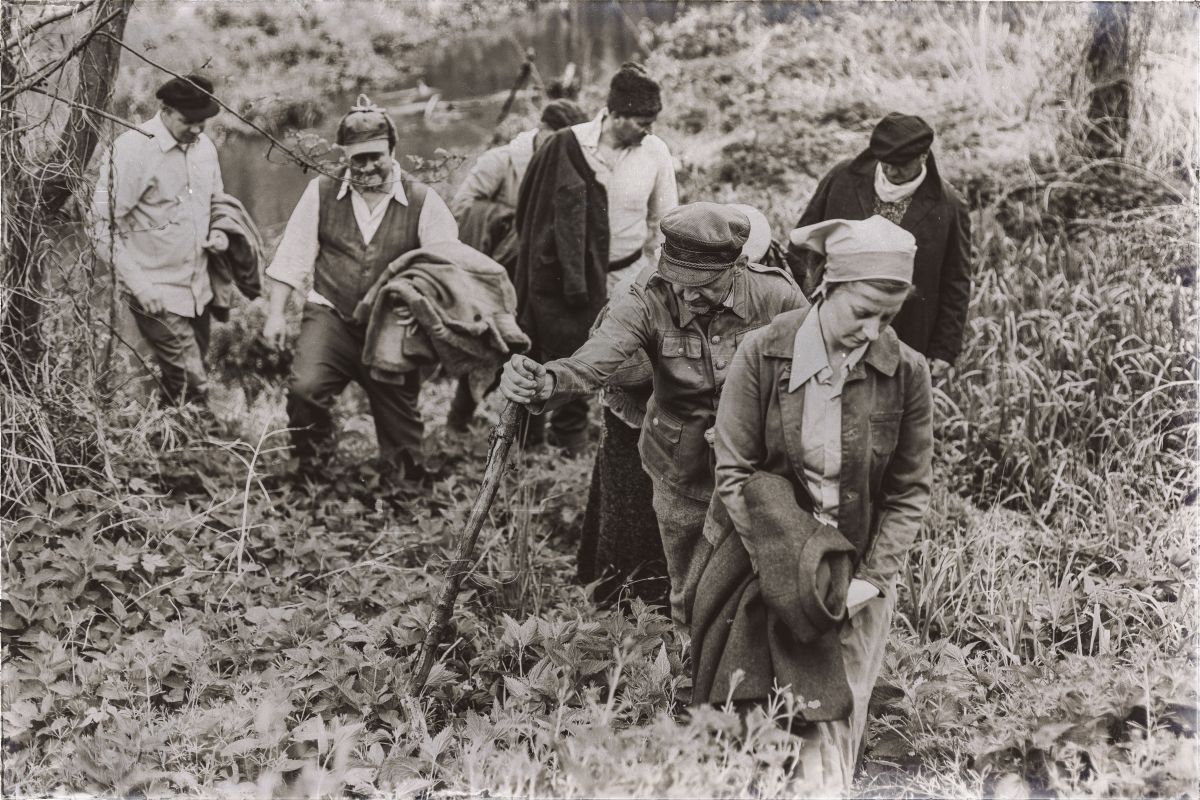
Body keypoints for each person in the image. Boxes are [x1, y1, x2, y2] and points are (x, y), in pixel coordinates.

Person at [688, 215, 934, 790]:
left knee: (836, 711)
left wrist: (869, 582)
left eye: (888, 318)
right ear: (827, 286)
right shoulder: (763, 353)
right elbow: (735, 471)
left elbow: (909, 492)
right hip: (763, 560)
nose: (873, 331)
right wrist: (786, 572)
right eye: (862, 312)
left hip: (855, 578)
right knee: (755, 713)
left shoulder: (906, 372)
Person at [499, 202, 809, 628]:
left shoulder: (778, 295)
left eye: (702, 284)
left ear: (737, 267)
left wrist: (757, 421)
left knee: (758, 579)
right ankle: (689, 654)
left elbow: (810, 372)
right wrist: (546, 381)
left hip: (757, 468)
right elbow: (594, 361)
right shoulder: (646, 296)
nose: (685, 294)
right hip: (680, 468)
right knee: (686, 585)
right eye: (677, 280)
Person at [576, 205, 778, 609]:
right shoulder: (645, 294)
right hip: (639, 415)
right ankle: (627, 607)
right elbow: (616, 369)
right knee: (633, 513)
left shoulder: (761, 287)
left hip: (698, 433)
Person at [260, 95, 459, 473]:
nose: (367, 167)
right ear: (345, 156)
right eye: (358, 159)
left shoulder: (423, 201)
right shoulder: (321, 192)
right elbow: (292, 259)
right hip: (331, 315)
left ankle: (402, 487)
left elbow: (447, 269)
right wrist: (275, 315)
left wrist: (426, 316)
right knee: (305, 391)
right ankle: (312, 471)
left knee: (401, 428)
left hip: (392, 323)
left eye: (375, 157)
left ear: (393, 151)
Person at [512, 62, 678, 455]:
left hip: (628, 276)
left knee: (623, 358)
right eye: (642, 121)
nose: (649, 130)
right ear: (617, 114)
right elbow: (531, 214)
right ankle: (542, 437)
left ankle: (611, 432)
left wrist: (663, 277)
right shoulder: (566, 146)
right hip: (568, 279)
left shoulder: (655, 152)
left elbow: (667, 220)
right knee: (561, 347)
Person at [790, 112, 972, 376]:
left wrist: (944, 349)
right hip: (832, 325)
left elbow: (956, 281)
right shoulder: (842, 177)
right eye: (885, 163)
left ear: (923, 157)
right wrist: (799, 305)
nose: (890, 171)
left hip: (903, 331)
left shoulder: (950, 205)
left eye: (901, 165)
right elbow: (800, 244)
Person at [446, 98, 587, 431]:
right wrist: (514, 224)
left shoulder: (568, 166)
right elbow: (461, 209)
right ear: (542, 130)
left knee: (535, 349)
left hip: (539, 278)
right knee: (491, 346)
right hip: (497, 274)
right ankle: (457, 420)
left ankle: (530, 431)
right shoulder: (501, 161)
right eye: (555, 139)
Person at [93, 74, 229, 406]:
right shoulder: (133, 150)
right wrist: (140, 285)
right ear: (166, 111)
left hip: (199, 291)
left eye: (202, 121)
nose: (196, 129)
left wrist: (219, 232)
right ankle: (203, 436)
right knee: (193, 382)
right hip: (156, 294)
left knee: (182, 380)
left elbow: (218, 205)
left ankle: (167, 432)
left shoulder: (205, 148)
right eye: (188, 120)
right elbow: (99, 225)